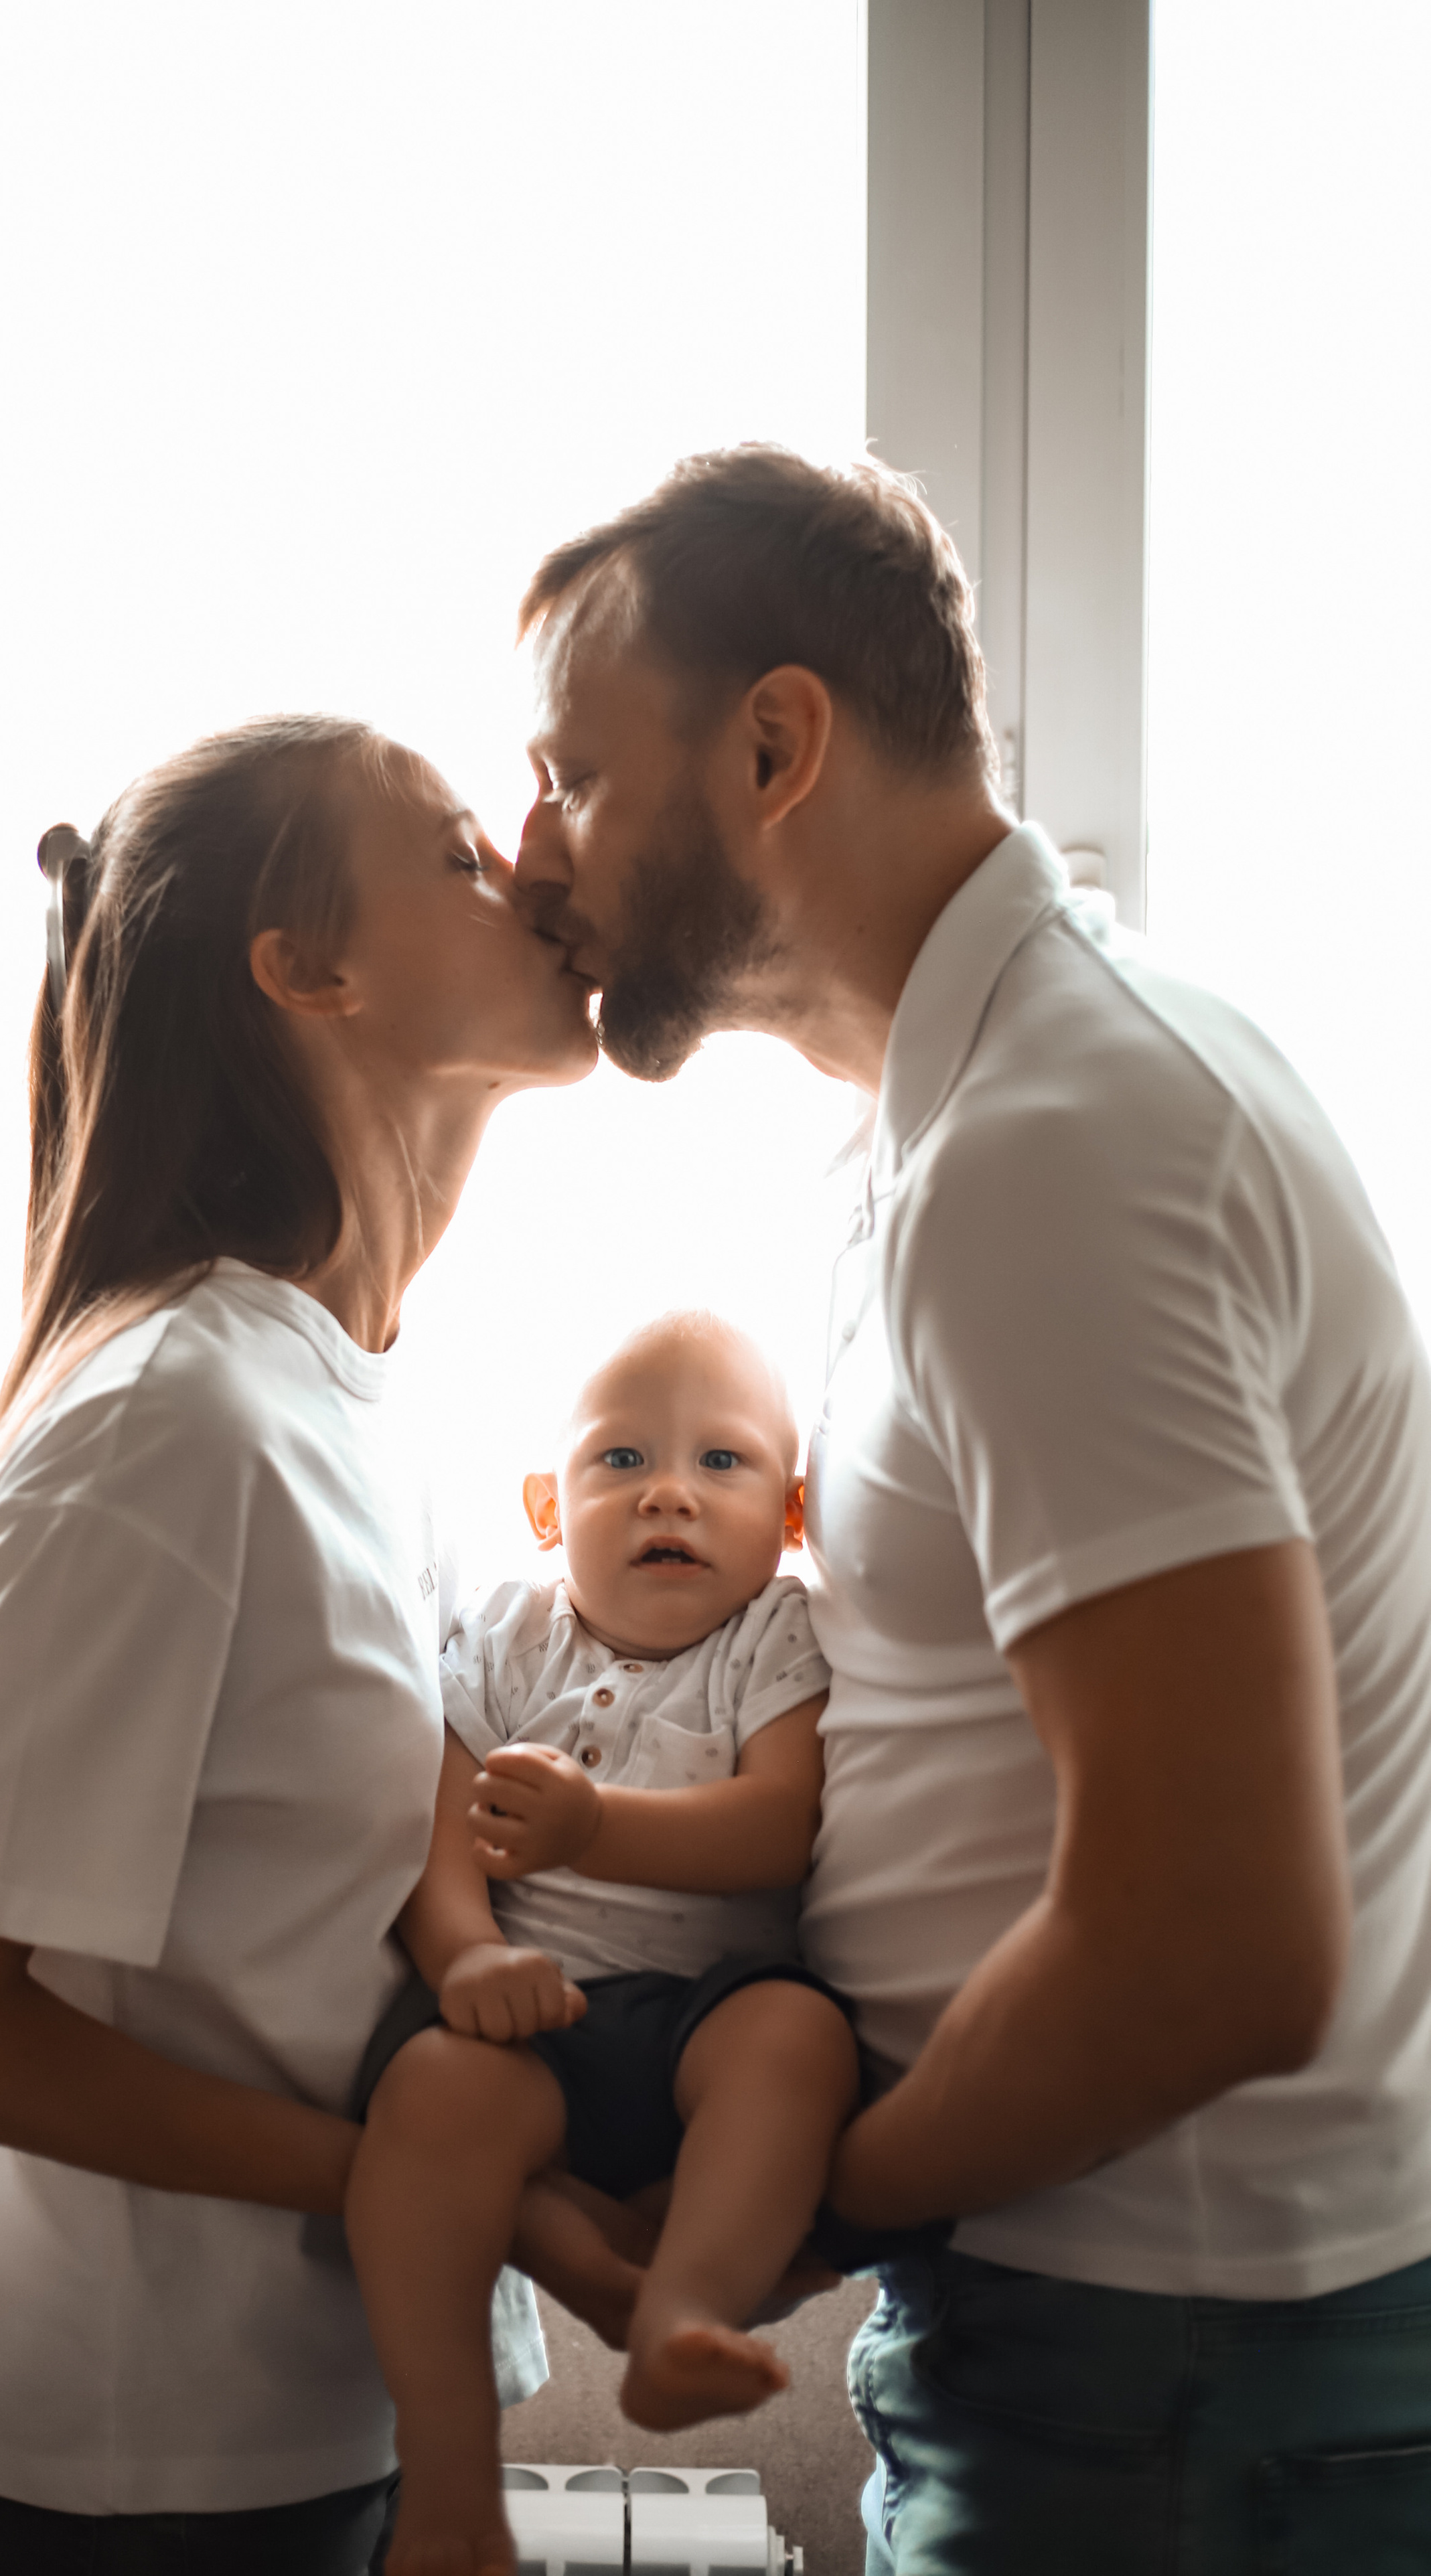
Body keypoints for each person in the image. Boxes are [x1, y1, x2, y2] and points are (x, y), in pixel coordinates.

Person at [510, 448, 1431, 2570]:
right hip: (1122, 2350)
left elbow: (1214, 1945)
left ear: (773, 743)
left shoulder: (1057, 1144)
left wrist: (814, 2197)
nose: (529, 849)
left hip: (1173, 2385)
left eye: (571, 773)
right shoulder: (953, 1132)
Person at [0, 714, 597, 2575]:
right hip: (154, 2483)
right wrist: (403, 2186)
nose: (524, 868)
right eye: (457, 855)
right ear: (305, 968)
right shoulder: (173, 1420)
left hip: (314, 2422)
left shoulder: (332, 1400)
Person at [346, 1310, 867, 2576]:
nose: (669, 1496)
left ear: (792, 1517)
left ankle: (683, 2306)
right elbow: (438, 1825)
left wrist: (592, 1825)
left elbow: (775, 1830)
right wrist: (467, 1957)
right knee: (425, 2098)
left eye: (723, 1465)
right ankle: (452, 2471)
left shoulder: (776, 1639)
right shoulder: (511, 1630)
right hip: (538, 2019)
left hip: (706, 2015)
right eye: (621, 1462)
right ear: (547, 1502)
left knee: (799, 2038)